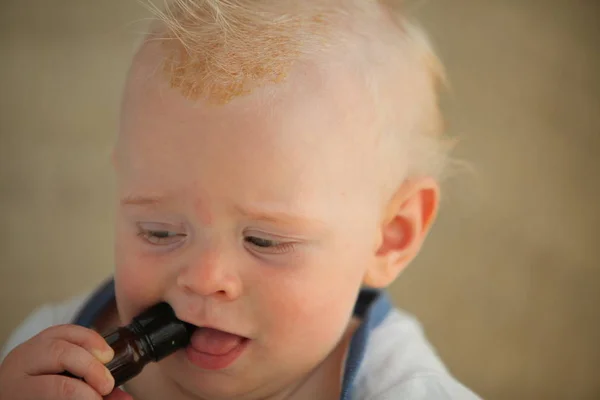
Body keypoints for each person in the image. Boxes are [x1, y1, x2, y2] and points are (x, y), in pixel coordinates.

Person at [0, 1, 481, 399]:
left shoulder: (405, 390)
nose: (206, 278)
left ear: (389, 238)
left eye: (265, 240)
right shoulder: (50, 358)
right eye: (160, 231)